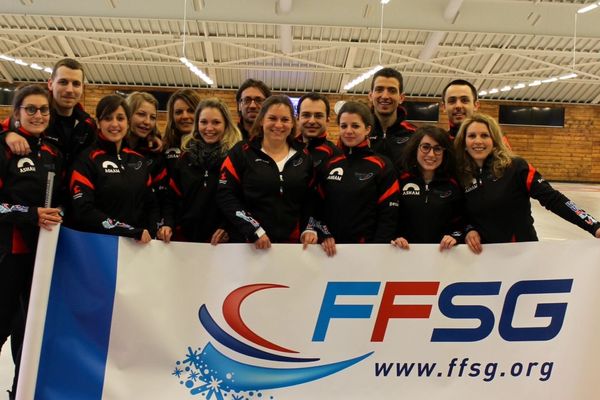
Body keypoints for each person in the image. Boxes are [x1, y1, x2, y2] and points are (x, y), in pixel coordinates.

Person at [454, 113, 600, 254]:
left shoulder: (516, 167)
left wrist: (594, 226)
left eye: (485, 135)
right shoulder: (461, 176)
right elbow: (460, 214)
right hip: (483, 258)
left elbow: (554, 199)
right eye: (472, 136)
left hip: (523, 256)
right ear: (464, 142)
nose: (478, 141)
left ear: (494, 141)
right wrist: (469, 230)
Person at [0, 85, 63, 399]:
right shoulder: (5, 148)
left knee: (28, 333)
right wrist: (30, 213)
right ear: (16, 114)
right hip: (8, 255)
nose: (38, 115)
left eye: (43, 110)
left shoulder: (53, 152)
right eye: (30, 109)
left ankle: (19, 392)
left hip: (43, 257)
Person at [217, 95, 318, 249]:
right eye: (272, 118)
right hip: (248, 244)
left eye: (285, 119)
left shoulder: (304, 157)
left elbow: (310, 199)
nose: (278, 125)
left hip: (291, 248)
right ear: (262, 120)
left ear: (292, 123)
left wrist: (309, 228)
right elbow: (226, 194)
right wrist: (253, 229)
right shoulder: (241, 152)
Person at [69, 95, 159, 242]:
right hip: (99, 246)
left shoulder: (139, 160)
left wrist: (153, 232)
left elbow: (151, 204)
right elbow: (84, 210)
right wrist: (129, 231)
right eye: (108, 118)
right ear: (98, 123)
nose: (114, 124)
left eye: (120, 118)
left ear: (128, 123)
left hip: (137, 246)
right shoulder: (86, 160)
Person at [317, 101, 399, 256]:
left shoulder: (382, 165)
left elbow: (389, 214)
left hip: (367, 251)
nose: (348, 131)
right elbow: (317, 207)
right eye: (343, 126)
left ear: (367, 129)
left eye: (355, 126)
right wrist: (323, 234)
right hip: (329, 251)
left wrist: (377, 249)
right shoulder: (329, 164)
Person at [159, 98, 242, 244]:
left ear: (226, 125)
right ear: (197, 124)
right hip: (185, 241)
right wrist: (168, 224)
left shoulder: (236, 158)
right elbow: (171, 197)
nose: (209, 128)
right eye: (204, 122)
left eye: (216, 122)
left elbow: (241, 200)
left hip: (223, 243)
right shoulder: (184, 157)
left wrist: (228, 227)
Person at [2, 58, 96, 167]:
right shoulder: (35, 117)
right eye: (63, 82)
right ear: (50, 84)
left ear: (82, 88)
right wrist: (7, 135)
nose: (70, 89)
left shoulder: (88, 125)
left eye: (76, 84)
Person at [392, 125, 463, 251]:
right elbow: (390, 219)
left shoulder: (453, 184)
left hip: (442, 258)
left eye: (437, 149)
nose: (431, 154)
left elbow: (461, 223)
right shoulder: (400, 180)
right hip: (405, 256)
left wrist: (454, 237)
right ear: (415, 148)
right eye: (425, 147)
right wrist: (396, 238)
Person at [368, 67, 416, 167]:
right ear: (370, 95)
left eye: (392, 90)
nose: (385, 96)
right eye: (379, 89)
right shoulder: (358, 132)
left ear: (401, 98)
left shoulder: (415, 135)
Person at [296, 92, 342, 170]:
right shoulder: (286, 148)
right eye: (306, 115)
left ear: (327, 120)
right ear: (298, 119)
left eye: (318, 116)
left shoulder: (335, 155)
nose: (312, 121)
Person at [163, 89, 202, 172]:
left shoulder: (211, 147)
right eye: (179, 112)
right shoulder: (162, 146)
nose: (185, 116)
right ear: (172, 117)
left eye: (191, 111)